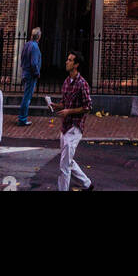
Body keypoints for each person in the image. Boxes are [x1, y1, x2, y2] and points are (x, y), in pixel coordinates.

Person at [53, 50, 94, 192]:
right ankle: (87, 184)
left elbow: (88, 107)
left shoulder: (82, 84)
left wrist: (69, 111)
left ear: (76, 65)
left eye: (70, 60)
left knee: (64, 165)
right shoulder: (66, 81)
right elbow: (65, 103)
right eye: (67, 59)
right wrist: (56, 105)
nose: (66, 62)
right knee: (67, 160)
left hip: (75, 128)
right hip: (64, 127)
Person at [17, 27, 42, 126]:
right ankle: (22, 119)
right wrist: (37, 73)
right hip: (31, 74)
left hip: (25, 72)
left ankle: (22, 118)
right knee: (27, 98)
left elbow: (22, 58)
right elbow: (34, 63)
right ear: (39, 36)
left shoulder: (27, 44)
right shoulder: (35, 47)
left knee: (25, 97)